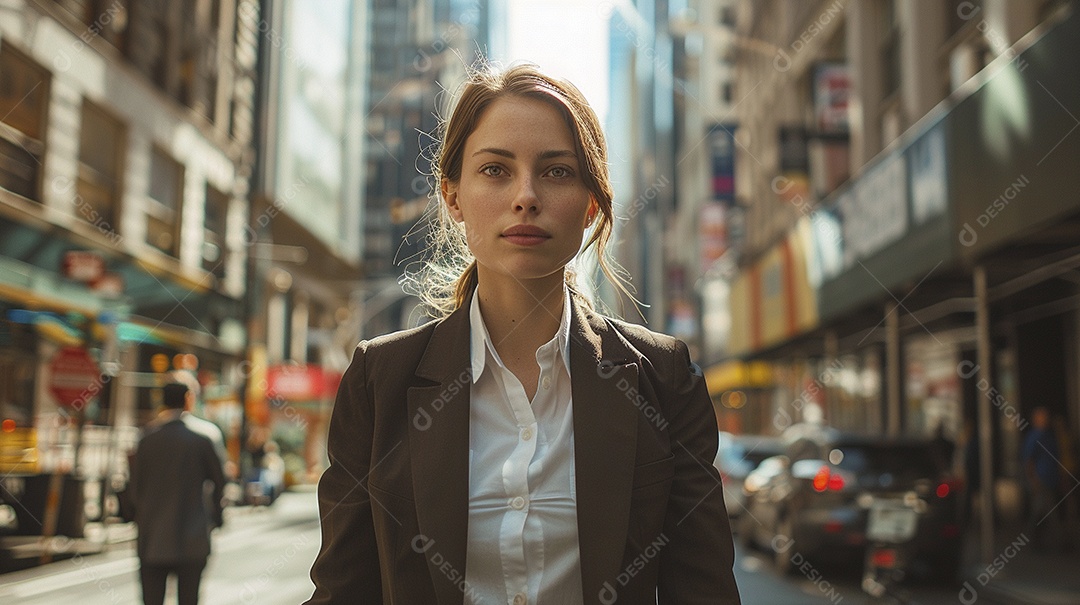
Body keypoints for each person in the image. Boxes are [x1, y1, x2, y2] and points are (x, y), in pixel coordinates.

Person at [305, 64, 741, 604]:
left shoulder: (662, 378)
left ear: (591, 204)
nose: (526, 197)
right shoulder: (380, 380)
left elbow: (705, 591)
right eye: (495, 170)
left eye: (557, 172)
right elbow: (344, 592)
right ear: (453, 196)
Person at [130, 382, 225, 605]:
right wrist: (216, 518)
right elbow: (220, 483)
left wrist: (137, 517)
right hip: (193, 537)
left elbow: (134, 487)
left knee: (152, 600)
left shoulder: (146, 439)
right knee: (189, 599)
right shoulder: (204, 438)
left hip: (152, 538)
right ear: (188, 399)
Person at [1022, 406, 1060, 550]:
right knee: (1045, 512)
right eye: (1042, 417)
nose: (1045, 420)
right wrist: (1033, 481)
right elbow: (1029, 461)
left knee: (1042, 512)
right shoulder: (1034, 437)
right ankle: (1052, 542)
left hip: (1050, 479)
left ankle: (1039, 541)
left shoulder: (1049, 436)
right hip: (1040, 480)